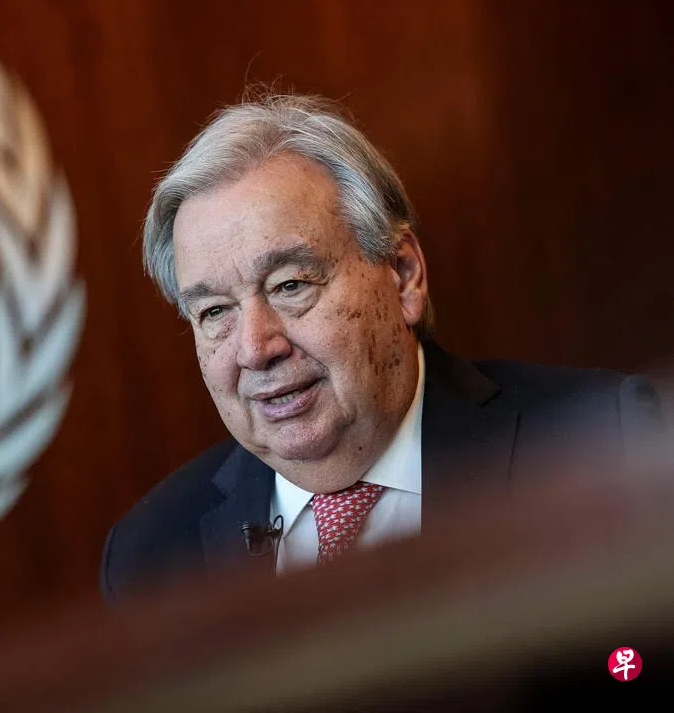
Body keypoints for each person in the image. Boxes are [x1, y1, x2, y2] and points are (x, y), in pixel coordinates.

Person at [100, 93, 665, 605]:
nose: (255, 348)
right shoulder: (148, 558)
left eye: (290, 285)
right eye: (215, 312)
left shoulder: (603, 448)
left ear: (403, 275)